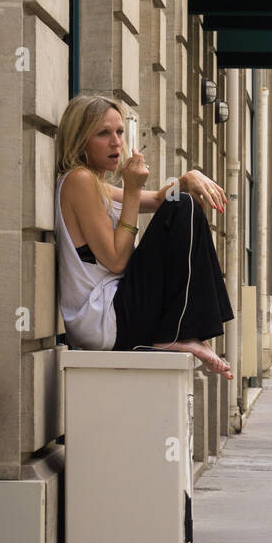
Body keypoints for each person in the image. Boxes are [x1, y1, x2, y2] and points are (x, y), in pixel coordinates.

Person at [54, 94, 235, 378]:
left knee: (184, 202)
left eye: (119, 132)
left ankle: (182, 331)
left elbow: (160, 199)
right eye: (103, 133)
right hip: (104, 319)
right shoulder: (80, 180)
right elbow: (116, 261)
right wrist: (132, 190)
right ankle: (176, 332)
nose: (116, 142)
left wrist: (185, 180)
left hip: (115, 314)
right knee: (184, 206)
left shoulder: (95, 183)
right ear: (79, 140)